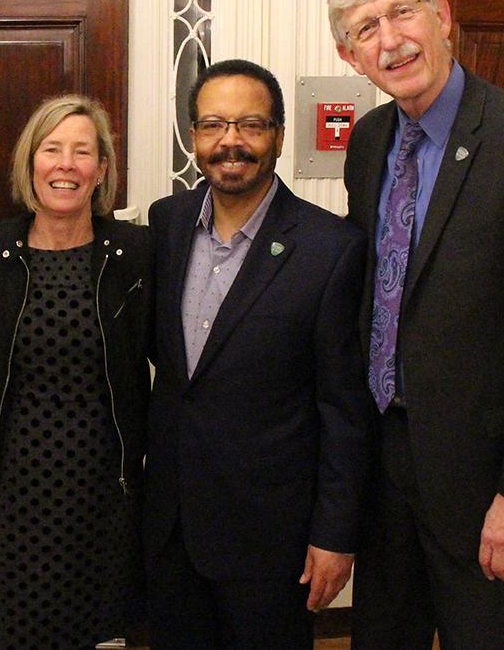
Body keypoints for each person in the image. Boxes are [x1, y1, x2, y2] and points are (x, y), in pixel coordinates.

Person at [327, 0, 504, 649]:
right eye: (366, 28)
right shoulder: (369, 142)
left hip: (482, 481)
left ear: (442, 16)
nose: (391, 40)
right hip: (383, 462)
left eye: (402, 12)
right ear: (350, 56)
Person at [145, 59, 373, 648]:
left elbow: (344, 408)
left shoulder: (330, 249)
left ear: (277, 135)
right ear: (193, 136)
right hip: (171, 529)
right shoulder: (166, 223)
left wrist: (335, 534)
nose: (231, 141)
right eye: (213, 125)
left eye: (250, 124)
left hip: (271, 539)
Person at [0, 94, 151, 649]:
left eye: (82, 152)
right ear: (30, 163)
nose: (66, 164)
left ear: (102, 170)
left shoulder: (134, 252)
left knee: (84, 629)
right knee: (11, 630)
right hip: (9, 488)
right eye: (51, 149)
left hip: (99, 490)